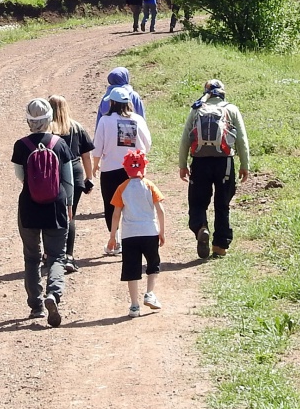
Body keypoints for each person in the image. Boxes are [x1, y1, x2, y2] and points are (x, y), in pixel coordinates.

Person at [11, 98, 75, 326]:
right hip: (55, 205)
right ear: (49, 119)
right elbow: (68, 181)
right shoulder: (59, 144)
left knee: (31, 257)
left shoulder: (21, 145)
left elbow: (21, 177)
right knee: (56, 255)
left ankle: (36, 305)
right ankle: (53, 294)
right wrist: (68, 205)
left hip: (29, 205)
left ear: (29, 121)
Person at [177, 79, 252, 259]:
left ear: (206, 92)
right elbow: (241, 139)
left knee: (197, 201)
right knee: (222, 204)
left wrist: (182, 165)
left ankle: (201, 227)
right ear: (223, 92)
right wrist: (245, 165)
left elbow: (185, 139)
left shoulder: (197, 109)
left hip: (200, 161)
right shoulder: (231, 109)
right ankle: (220, 246)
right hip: (224, 161)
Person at [106, 149, 166, 317]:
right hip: (149, 232)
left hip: (129, 235)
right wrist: (161, 231)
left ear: (126, 169)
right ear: (144, 167)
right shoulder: (150, 186)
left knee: (131, 269)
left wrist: (112, 236)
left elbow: (116, 213)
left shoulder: (122, 188)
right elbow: (160, 210)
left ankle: (134, 305)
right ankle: (150, 293)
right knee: (153, 264)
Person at [92, 86, 152, 252]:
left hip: (110, 170)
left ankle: (115, 241)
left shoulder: (105, 121)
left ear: (112, 103)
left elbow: (97, 146)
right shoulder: (138, 120)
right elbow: (147, 144)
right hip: (134, 171)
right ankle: (135, 240)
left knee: (111, 205)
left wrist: (95, 164)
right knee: (133, 205)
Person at [48, 94, 95, 270]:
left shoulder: (47, 129)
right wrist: (89, 178)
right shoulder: (76, 127)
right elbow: (86, 155)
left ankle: (50, 254)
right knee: (70, 214)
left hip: (53, 174)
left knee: (51, 215)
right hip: (74, 174)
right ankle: (68, 255)